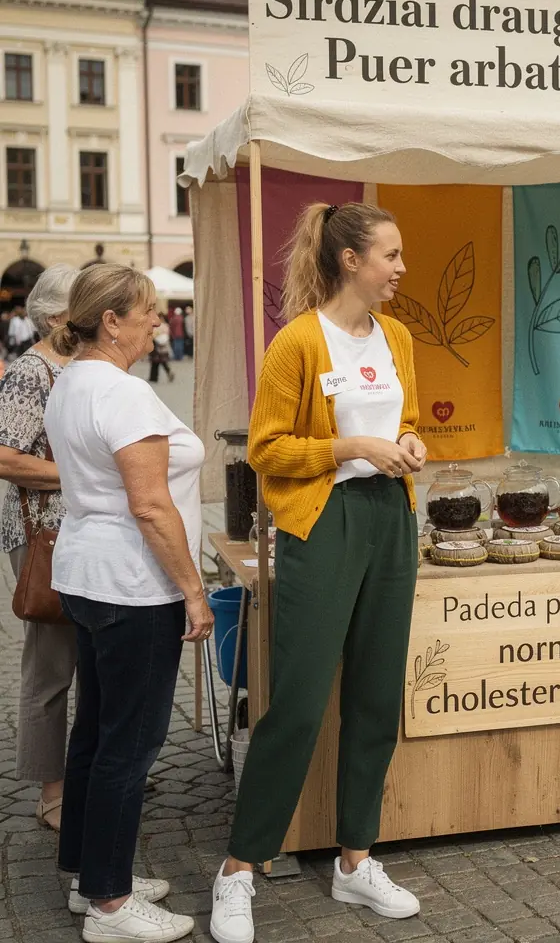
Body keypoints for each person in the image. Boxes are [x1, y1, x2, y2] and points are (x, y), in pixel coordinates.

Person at [209, 203, 427, 943]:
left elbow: (408, 418)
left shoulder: (396, 335)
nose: (400, 268)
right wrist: (350, 446)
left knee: (375, 696)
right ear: (349, 261)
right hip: (322, 523)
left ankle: (355, 861)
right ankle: (240, 869)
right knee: (299, 702)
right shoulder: (296, 342)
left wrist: (407, 442)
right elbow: (267, 449)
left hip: (389, 521)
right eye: (390, 255)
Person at [45, 263, 213, 943]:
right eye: (144, 312)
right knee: (129, 743)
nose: (155, 322)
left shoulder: (69, 383)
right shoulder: (122, 393)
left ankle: (89, 872)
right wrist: (194, 592)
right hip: (133, 585)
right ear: (109, 321)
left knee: (95, 731)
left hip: (88, 573)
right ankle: (110, 903)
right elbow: (150, 504)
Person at [0, 265, 78, 832]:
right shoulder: (32, 372)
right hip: (43, 537)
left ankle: (85, 774)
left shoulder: (87, 367)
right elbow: (5, 455)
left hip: (86, 534)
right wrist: (79, 476)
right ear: (56, 317)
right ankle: (52, 792)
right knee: (51, 666)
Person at [149, 316, 174, 383]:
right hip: (163, 347)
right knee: (162, 362)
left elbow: (153, 335)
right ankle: (168, 372)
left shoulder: (156, 326)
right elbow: (168, 335)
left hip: (157, 347)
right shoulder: (166, 326)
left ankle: (153, 377)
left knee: (156, 363)